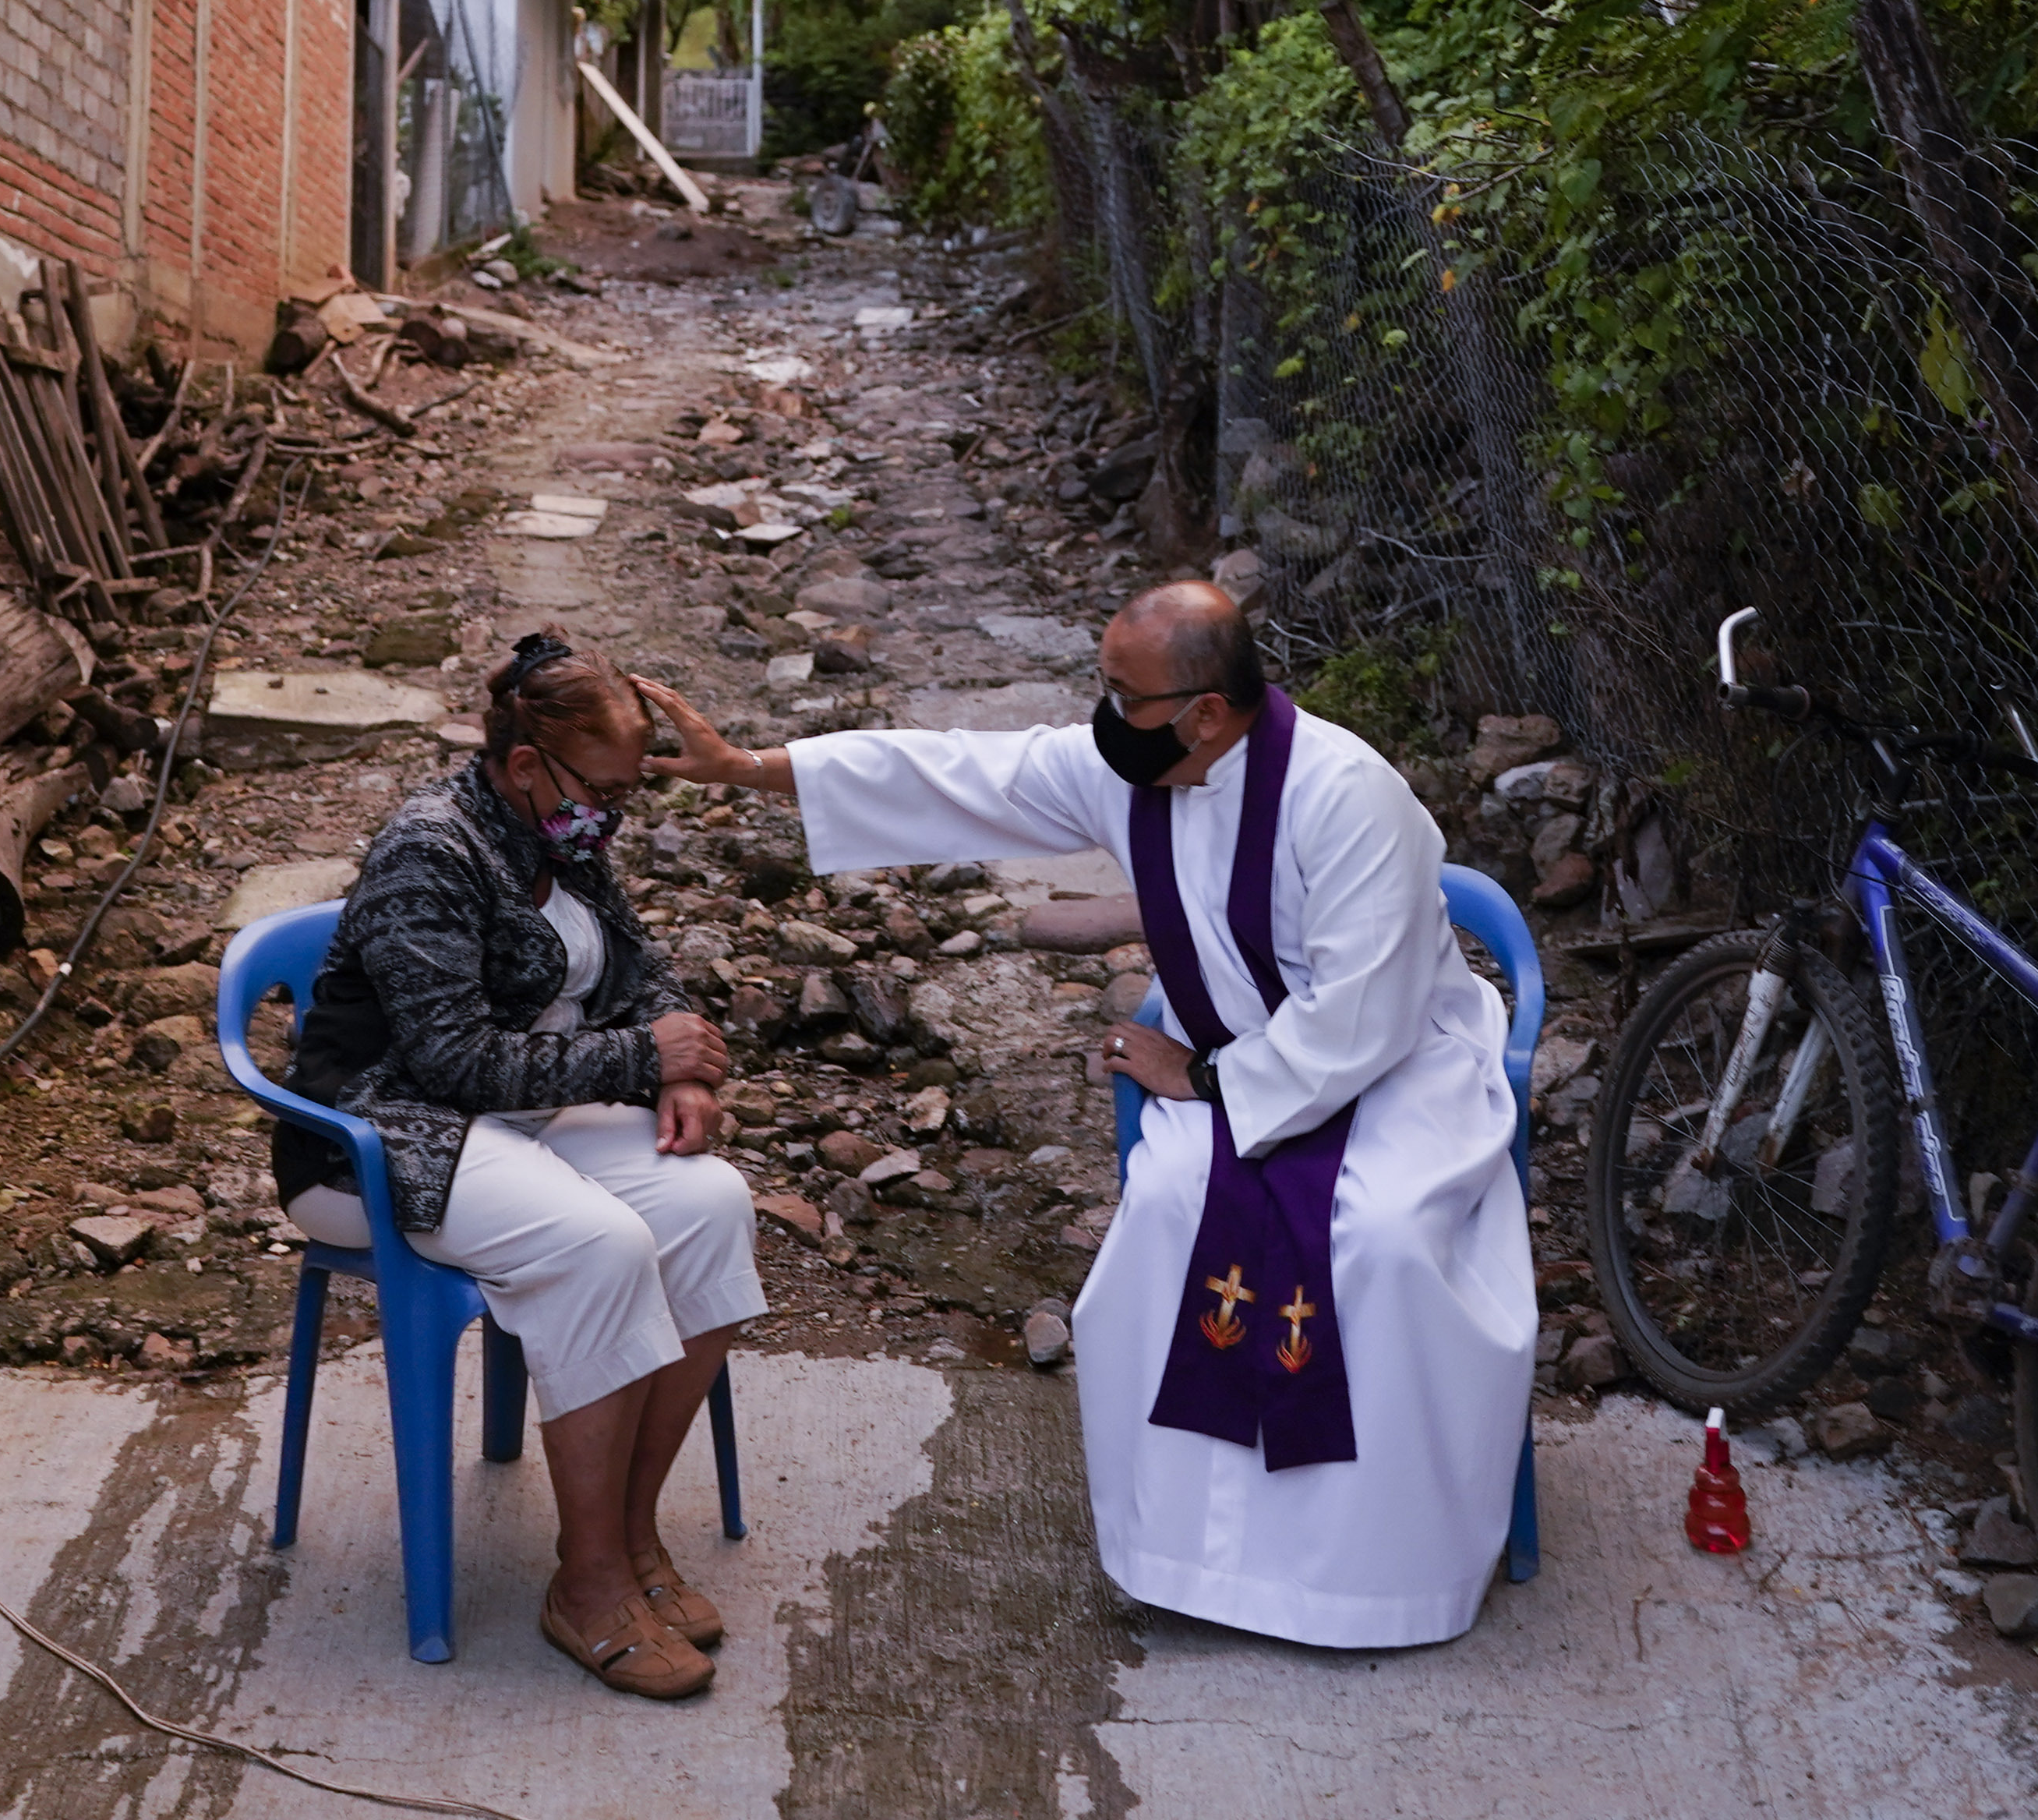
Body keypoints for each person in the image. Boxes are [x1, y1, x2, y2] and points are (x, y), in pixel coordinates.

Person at [638, 580, 1535, 1649]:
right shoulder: (1137, 766)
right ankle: (1191, 1553)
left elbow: (1366, 1013)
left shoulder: (1350, 797)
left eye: (1124, 693)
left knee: (1382, 1242)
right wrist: (749, 770)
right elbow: (961, 771)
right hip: (1239, 1067)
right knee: (1166, 1211)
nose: (1102, 714)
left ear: (1205, 711)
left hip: (1390, 1076)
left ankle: (1379, 1574)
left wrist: (1206, 1083)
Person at [279, 633, 761, 1699]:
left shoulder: (561, 829)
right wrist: (643, 1057)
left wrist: (679, 1060)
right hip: (380, 1134)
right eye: (606, 786)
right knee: (601, 1243)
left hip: (517, 1122)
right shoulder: (430, 849)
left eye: (628, 790)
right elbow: (448, 1057)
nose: (616, 813)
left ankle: (629, 1539)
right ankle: (584, 1585)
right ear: (528, 760)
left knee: (712, 1203)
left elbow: (641, 964)